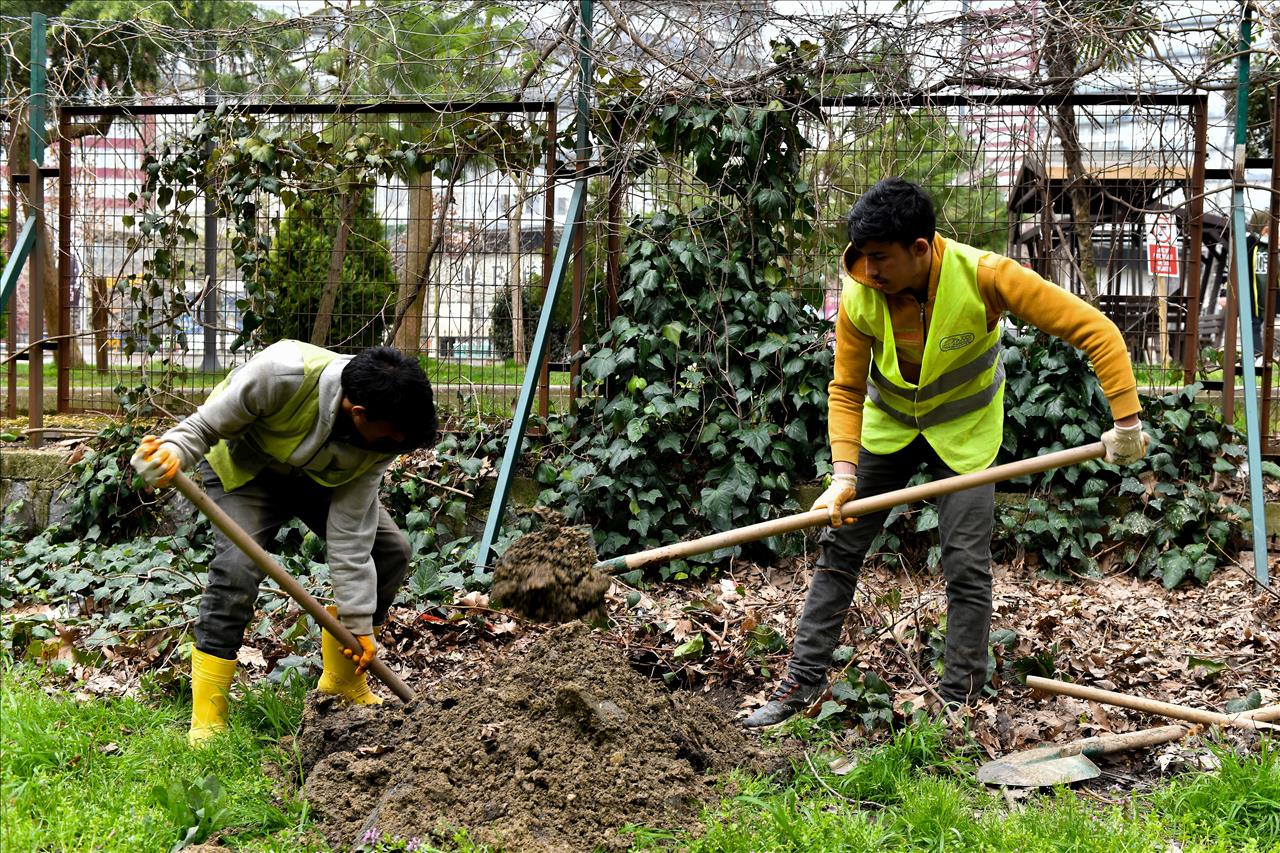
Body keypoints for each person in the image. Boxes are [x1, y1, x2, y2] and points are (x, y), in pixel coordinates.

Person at [743, 178, 1147, 728]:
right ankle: (800, 683)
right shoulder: (862, 289)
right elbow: (845, 389)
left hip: (964, 435)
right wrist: (842, 474)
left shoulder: (987, 277)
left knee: (965, 565)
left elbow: (1096, 331)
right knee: (839, 549)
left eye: (880, 258)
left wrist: (1126, 422)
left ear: (920, 248)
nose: (869, 270)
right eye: (862, 258)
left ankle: (960, 699)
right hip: (887, 432)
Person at [131, 340, 437, 745]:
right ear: (358, 413)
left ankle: (342, 684)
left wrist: (359, 624)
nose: (396, 447)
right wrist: (170, 453)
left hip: (321, 481)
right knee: (237, 571)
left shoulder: (387, 435)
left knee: (390, 551)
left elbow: (350, 533)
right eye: (392, 439)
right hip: (244, 470)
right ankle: (208, 720)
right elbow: (202, 428)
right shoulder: (281, 373)